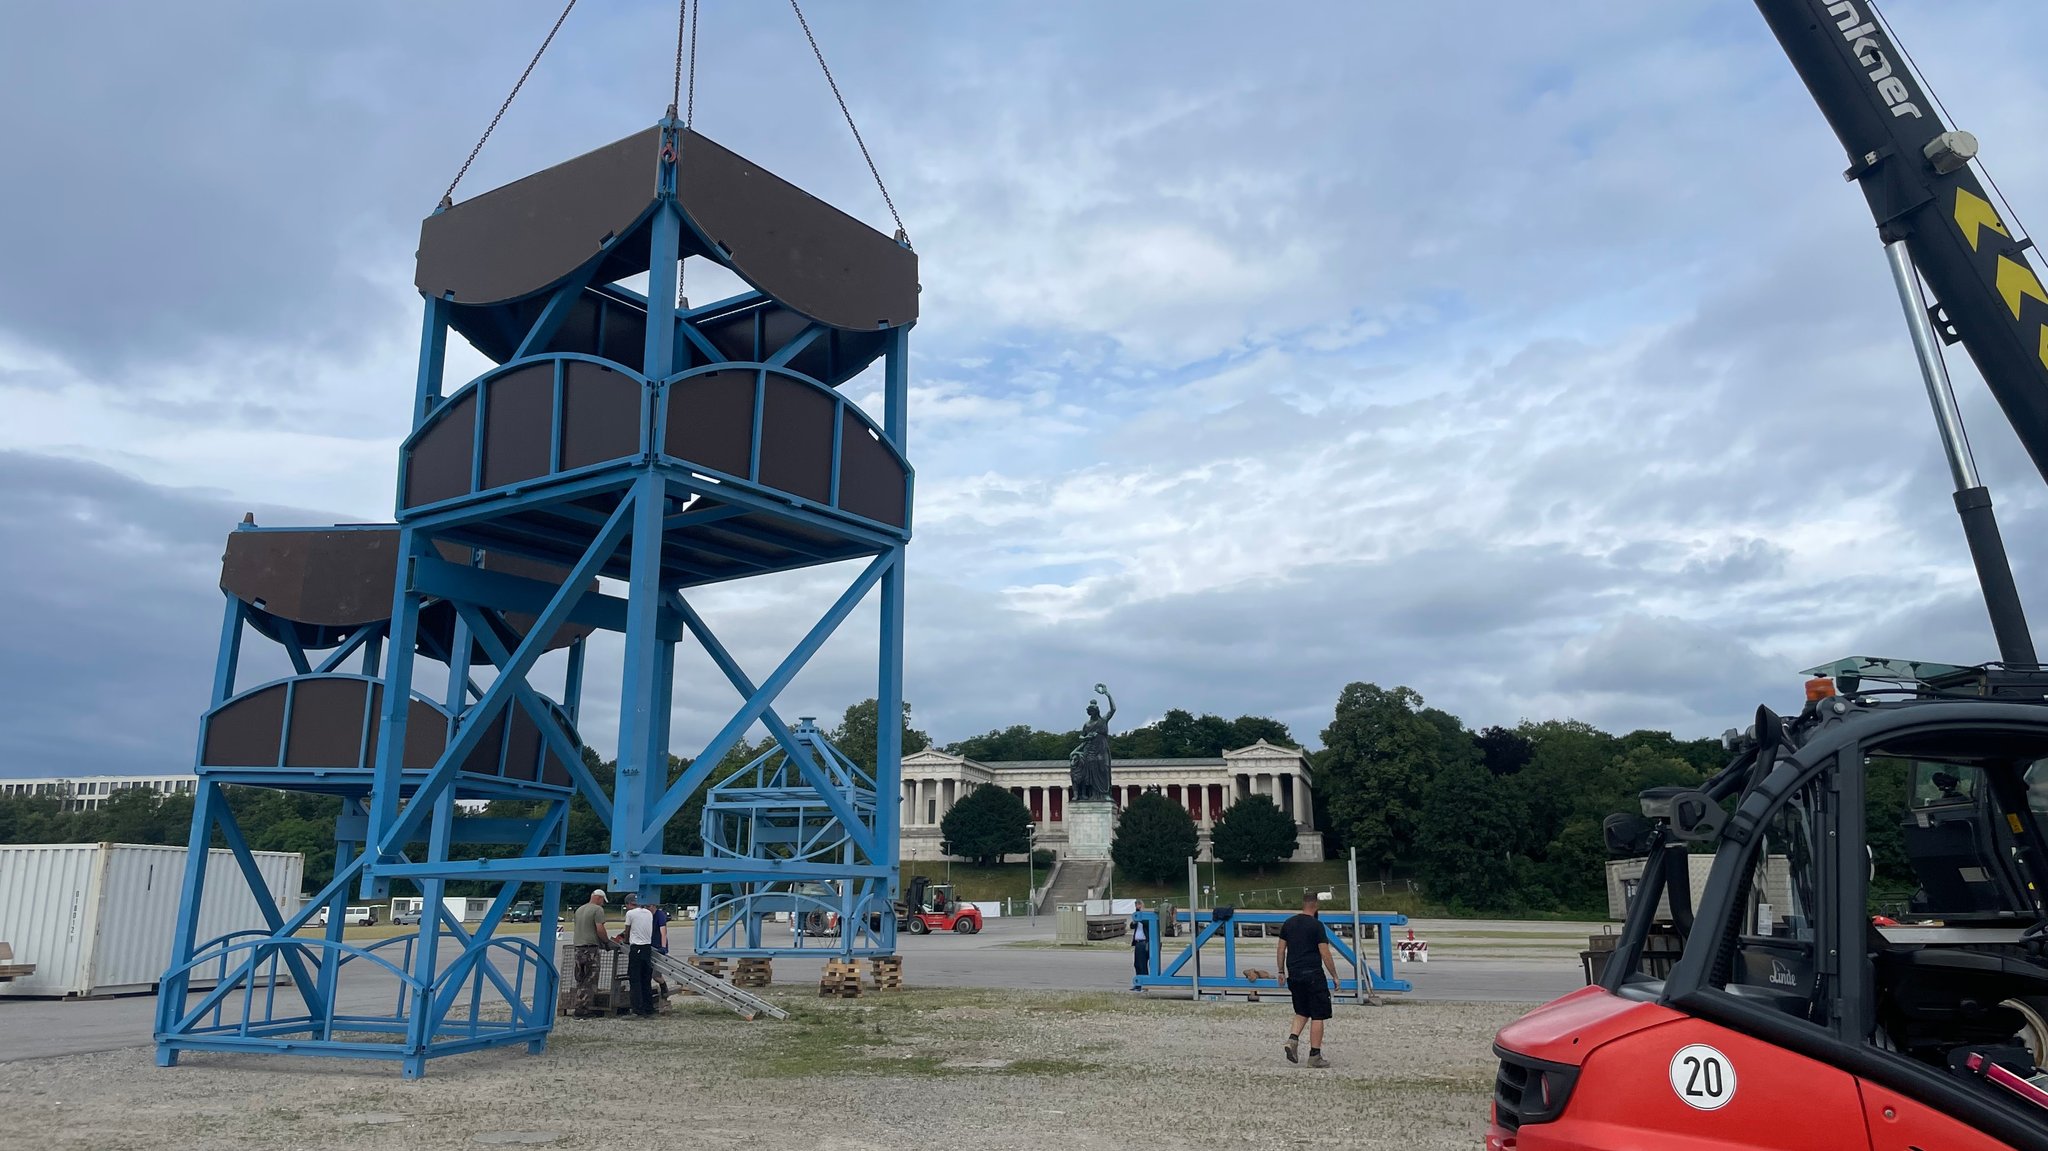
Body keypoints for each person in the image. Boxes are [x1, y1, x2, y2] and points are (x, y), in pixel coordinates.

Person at [1276, 893, 1337, 1067]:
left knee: (1302, 1011)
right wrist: (1334, 975)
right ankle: (1314, 1056)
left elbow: (1281, 950)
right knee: (1318, 1014)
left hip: (1294, 975)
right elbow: (1325, 953)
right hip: (1313, 974)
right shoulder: (1317, 926)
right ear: (1315, 905)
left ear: (1303, 904)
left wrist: (1281, 970)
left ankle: (1292, 1040)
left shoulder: (1289, 923)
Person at [569, 888, 615, 1017]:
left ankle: (578, 1005)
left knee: (580, 978)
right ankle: (584, 1009)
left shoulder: (579, 909)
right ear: (599, 898)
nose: (602, 904)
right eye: (602, 901)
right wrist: (606, 942)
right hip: (590, 949)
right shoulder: (597, 910)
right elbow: (599, 928)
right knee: (590, 979)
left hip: (578, 948)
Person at [620, 893, 656, 1017]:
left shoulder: (630, 914)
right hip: (647, 947)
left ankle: (637, 1009)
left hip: (637, 948)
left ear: (629, 904)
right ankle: (648, 1007)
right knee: (646, 979)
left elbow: (627, 930)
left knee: (635, 979)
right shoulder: (648, 913)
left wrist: (624, 941)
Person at [649, 901, 672, 1007]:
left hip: (658, 947)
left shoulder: (660, 915)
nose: (648, 908)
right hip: (649, 947)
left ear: (654, 906)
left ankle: (663, 986)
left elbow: (663, 932)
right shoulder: (646, 915)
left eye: (649, 906)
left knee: (656, 975)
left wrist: (663, 947)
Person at [1129, 899, 1150, 991]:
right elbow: (1131, 926)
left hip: (1143, 943)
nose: (1137, 907)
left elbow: (1147, 924)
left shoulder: (1145, 916)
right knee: (1137, 964)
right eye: (1136, 905)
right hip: (1137, 943)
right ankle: (1138, 983)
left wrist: (1141, 914)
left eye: (1138, 905)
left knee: (1142, 964)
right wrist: (1135, 919)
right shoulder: (1136, 917)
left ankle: (1144, 984)